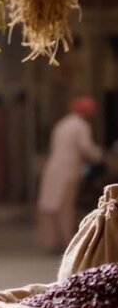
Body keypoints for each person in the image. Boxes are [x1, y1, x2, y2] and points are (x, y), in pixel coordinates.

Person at [38, 96, 103, 254]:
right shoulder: (81, 126)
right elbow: (86, 148)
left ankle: (50, 243)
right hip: (67, 171)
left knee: (50, 206)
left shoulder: (63, 123)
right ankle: (68, 244)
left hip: (53, 169)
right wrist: (101, 156)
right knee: (66, 208)